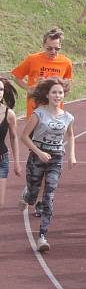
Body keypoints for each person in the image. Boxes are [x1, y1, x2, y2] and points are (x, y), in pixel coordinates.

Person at [19, 78, 76, 252]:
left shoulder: (68, 117)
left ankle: (42, 236)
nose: (57, 95)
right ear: (47, 94)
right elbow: (24, 136)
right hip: (37, 156)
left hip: (56, 158)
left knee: (49, 196)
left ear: (64, 94)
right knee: (33, 194)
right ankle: (27, 194)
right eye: (54, 92)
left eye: (60, 92)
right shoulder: (39, 113)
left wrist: (71, 155)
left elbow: (71, 136)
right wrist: (39, 152)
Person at [11, 27, 74, 118]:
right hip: (35, 109)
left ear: (61, 46)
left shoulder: (66, 62)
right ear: (44, 45)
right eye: (49, 48)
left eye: (57, 49)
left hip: (55, 111)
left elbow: (68, 83)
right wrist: (28, 88)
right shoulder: (32, 59)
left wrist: (62, 91)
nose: (53, 52)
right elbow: (17, 77)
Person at [0, 78, 20, 206]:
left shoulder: (9, 114)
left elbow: (14, 137)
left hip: (2, 159)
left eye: (1, 89)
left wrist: (17, 163)